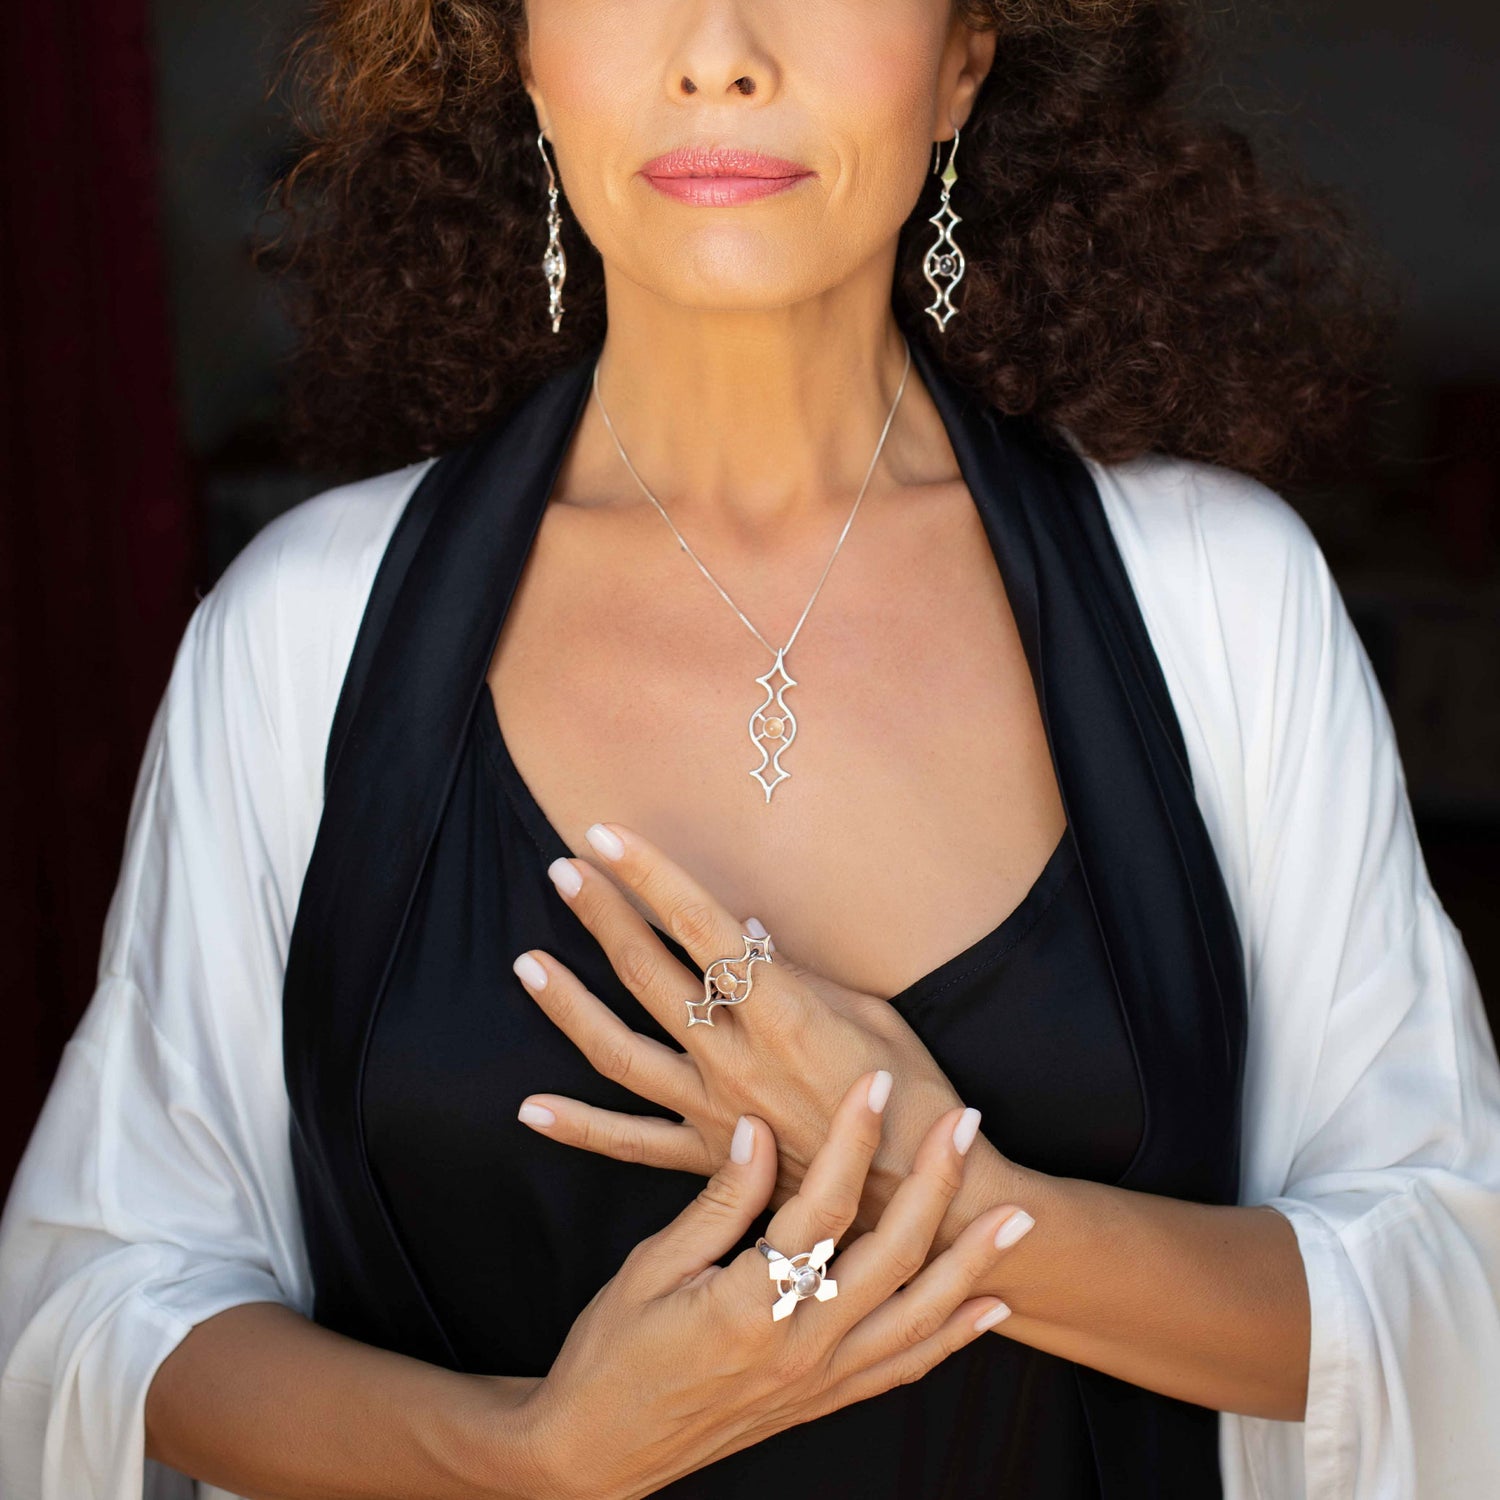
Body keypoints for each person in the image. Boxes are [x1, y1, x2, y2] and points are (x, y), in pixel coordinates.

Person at [3, 1, 1499, 1497]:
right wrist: (534, 1459)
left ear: (963, 58)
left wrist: (940, 1182)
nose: (720, 49)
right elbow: (106, 1310)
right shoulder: (303, 633)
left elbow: (1446, 1288)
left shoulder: (1220, 601)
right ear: (520, 52)